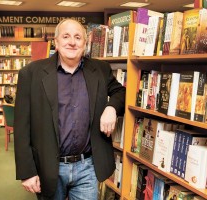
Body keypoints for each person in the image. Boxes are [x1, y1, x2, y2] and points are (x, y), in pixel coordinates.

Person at [14, 18, 126, 200]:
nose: (72, 42)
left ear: (85, 43)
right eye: (66, 36)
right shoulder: (31, 74)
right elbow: (21, 127)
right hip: (49, 166)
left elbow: (120, 92)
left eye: (77, 37)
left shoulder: (100, 69)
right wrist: (27, 171)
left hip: (87, 166)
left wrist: (111, 107)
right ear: (56, 42)